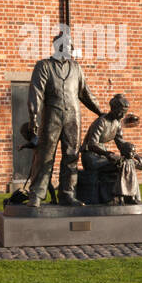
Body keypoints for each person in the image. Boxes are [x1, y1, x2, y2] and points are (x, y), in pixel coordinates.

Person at [25, 33, 105, 207]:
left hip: (73, 118)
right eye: (70, 45)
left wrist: (101, 112)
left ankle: (67, 193)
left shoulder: (76, 68)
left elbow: (85, 93)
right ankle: (37, 194)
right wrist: (33, 118)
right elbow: (36, 94)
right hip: (51, 117)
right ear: (59, 47)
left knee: (71, 156)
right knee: (45, 155)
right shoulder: (44, 66)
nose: (73, 49)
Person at [82, 93, 142, 204]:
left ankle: (131, 197)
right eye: (121, 112)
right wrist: (107, 154)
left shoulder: (117, 124)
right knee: (122, 163)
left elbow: (121, 143)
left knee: (128, 162)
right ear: (113, 108)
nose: (123, 115)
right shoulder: (101, 122)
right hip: (91, 157)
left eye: (125, 113)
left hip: (103, 156)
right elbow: (91, 144)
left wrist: (137, 156)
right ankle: (118, 197)